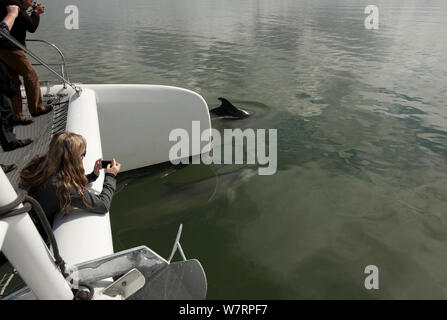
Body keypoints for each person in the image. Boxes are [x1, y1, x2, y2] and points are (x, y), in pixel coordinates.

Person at [19, 132, 121, 238]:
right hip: (33, 234)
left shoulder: (43, 165)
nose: (83, 158)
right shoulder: (62, 185)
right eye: (82, 155)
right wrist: (110, 175)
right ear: (73, 159)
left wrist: (92, 176)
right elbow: (103, 205)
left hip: (23, 222)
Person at [0, 0, 52, 126]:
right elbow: (31, 27)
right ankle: (36, 108)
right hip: (12, 48)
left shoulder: (8, 4)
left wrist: (31, 10)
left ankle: (17, 116)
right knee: (31, 75)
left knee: (14, 82)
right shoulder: (15, 6)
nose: (33, 1)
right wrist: (36, 12)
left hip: (2, 49)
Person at [0, 4, 33, 154]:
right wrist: (12, 14)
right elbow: (1, 33)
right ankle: (10, 142)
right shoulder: (13, 8)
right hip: (11, 50)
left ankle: (9, 140)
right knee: (3, 107)